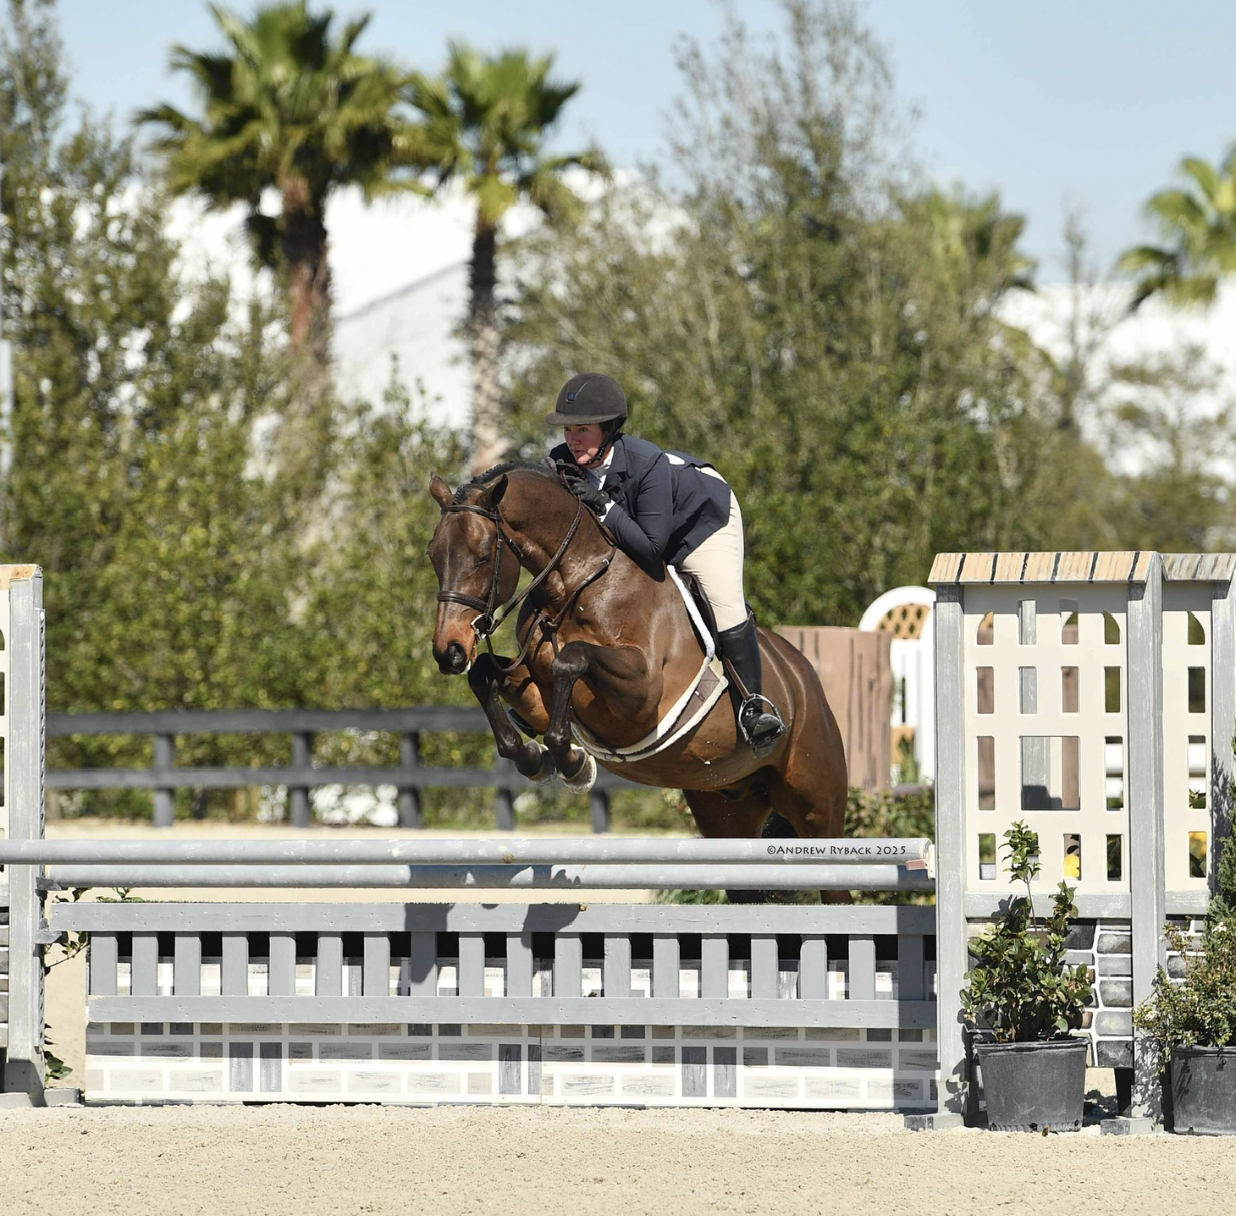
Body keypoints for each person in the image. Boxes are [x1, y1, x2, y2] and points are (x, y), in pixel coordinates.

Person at [546, 371, 786, 752]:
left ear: (609, 429)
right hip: (644, 529)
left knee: (724, 605)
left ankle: (754, 709)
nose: (572, 440)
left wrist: (601, 505)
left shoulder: (648, 463)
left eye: (583, 430)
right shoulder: (563, 462)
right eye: (568, 430)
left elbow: (652, 547)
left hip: (702, 523)